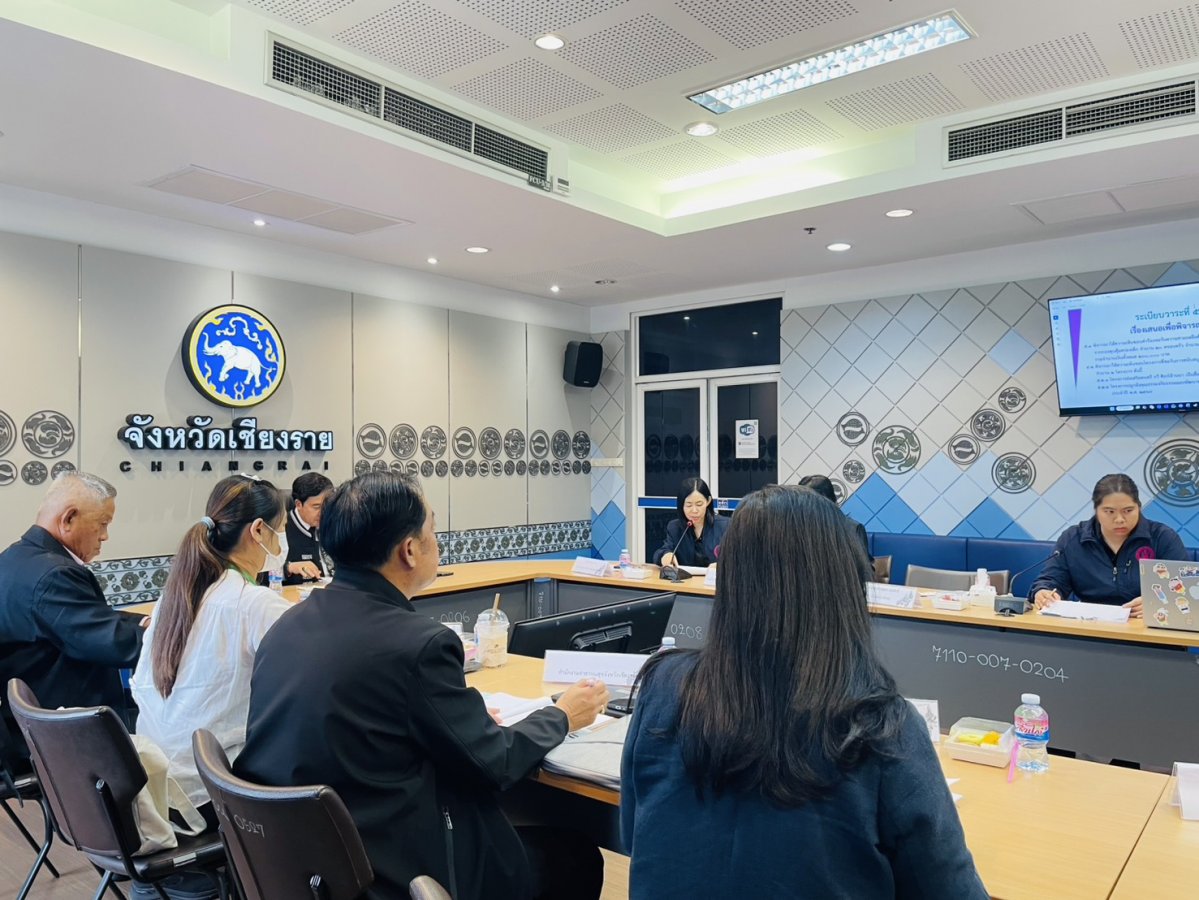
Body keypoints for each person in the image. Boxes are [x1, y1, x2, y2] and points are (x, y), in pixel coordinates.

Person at [234, 471, 609, 900]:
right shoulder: (418, 644)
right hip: (397, 874)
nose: (437, 540)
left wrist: (457, 722)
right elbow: (495, 762)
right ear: (409, 550)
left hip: (309, 869)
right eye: (432, 528)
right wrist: (563, 714)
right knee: (574, 857)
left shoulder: (285, 627)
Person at [622, 484, 986, 899]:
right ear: (844, 584)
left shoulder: (662, 686)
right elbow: (949, 889)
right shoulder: (881, 724)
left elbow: (634, 835)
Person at [0, 472, 143, 764]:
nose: (105, 536)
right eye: (103, 523)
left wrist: (144, 622)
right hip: (64, 736)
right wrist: (172, 634)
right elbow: (112, 643)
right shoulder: (54, 575)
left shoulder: (15, 559)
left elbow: (84, 617)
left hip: (27, 723)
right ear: (68, 518)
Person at [1029, 474, 1185, 619]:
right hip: (1091, 625)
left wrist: (1156, 602)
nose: (1119, 519)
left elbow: (1182, 588)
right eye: (1109, 511)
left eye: (1128, 511)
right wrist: (1044, 592)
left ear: (1138, 507)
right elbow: (1052, 579)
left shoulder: (1162, 538)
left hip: (1146, 625)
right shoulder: (1073, 539)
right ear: (1096, 510)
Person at [652, 477, 729, 568]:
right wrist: (665, 555)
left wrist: (722, 565)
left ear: (708, 501)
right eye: (688, 505)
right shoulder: (675, 528)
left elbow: (737, 556)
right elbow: (662, 551)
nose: (694, 510)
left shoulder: (725, 526)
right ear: (681, 504)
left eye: (699, 504)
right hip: (685, 577)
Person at [798, 473, 872, 562]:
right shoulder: (798, 530)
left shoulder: (852, 529)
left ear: (826, 500)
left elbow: (864, 568)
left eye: (807, 501)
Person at [282, 472, 333, 585]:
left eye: (327, 505)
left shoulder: (335, 523)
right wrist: (288, 567)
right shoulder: (281, 528)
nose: (323, 512)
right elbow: (262, 574)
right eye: (317, 507)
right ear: (298, 504)